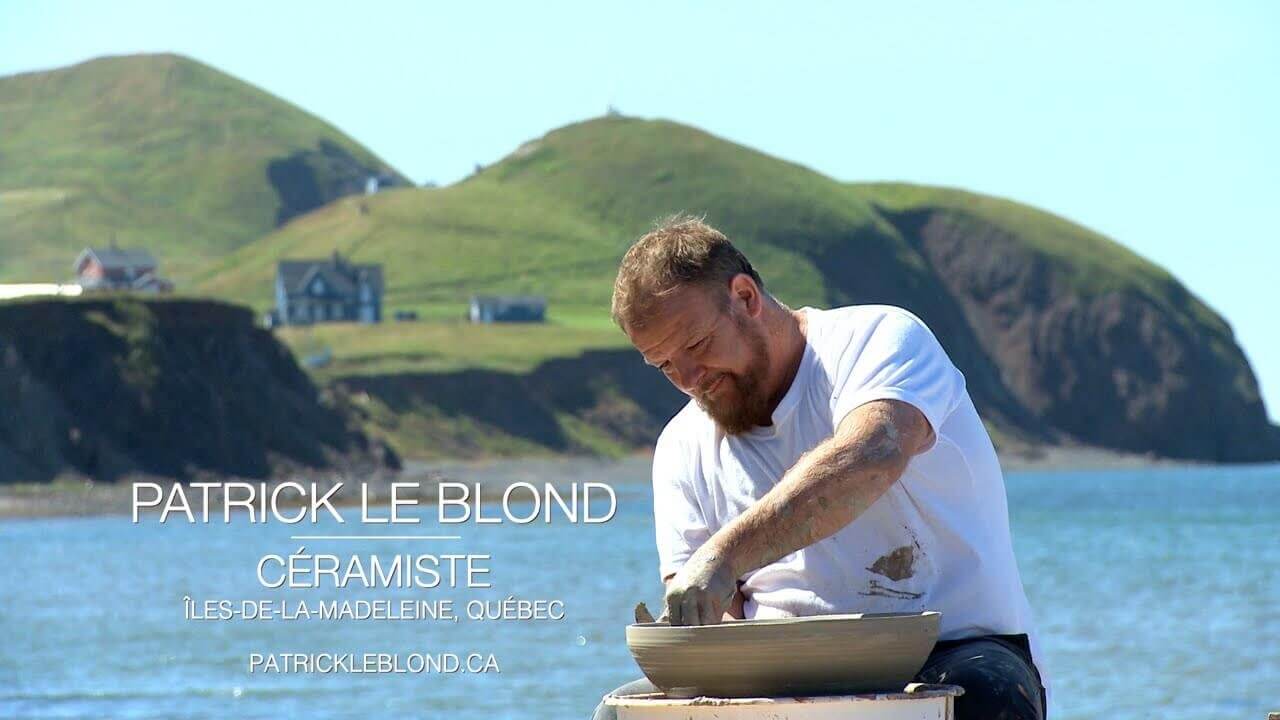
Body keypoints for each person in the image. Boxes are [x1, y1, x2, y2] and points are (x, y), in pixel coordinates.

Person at [592, 216, 1047, 720]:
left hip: (951, 648)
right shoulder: (680, 445)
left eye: (696, 345)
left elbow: (871, 457)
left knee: (987, 696)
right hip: (774, 671)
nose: (689, 379)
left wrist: (723, 557)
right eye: (664, 365)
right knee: (618, 713)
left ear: (745, 297)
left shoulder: (879, 338)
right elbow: (710, 608)